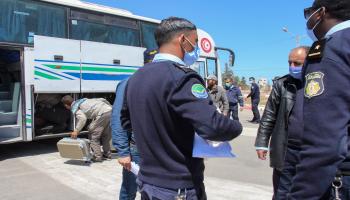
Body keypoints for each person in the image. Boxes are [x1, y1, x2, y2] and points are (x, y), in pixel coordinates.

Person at [121, 17, 242, 200]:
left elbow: (126, 121)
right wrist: (236, 126)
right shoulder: (182, 77)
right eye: (194, 43)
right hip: (177, 187)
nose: (195, 49)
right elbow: (213, 126)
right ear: (182, 40)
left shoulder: (135, 78)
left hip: (147, 182)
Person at [288, 0, 350, 199]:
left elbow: (325, 142)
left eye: (309, 13)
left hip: (340, 179)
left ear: (320, 13)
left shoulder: (331, 50)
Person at [254, 46, 309, 199]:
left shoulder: (320, 84)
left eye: (297, 63)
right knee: (281, 193)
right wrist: (262, 142)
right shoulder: (282, 84)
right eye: (289, 63)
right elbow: (269, 115)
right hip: (286, 150)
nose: (292, 67)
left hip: (310, 152)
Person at [111, 49, 158, 200]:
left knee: (155, 191)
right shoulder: (129, 83)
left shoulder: (162, 83)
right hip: (137, 149)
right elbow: (118, 118)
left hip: (159, 148)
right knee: (129, 189)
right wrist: (123, 152)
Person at [61, 95, 112, 162]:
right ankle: (107, 154)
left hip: (102, 114)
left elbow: (82, 119)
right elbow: (102, 99)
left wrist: (76, 131)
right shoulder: (82, 100)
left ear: (66, 105)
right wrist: (109, 107)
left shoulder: (75, 107)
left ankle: (97, 157)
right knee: (105, 135)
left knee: (93, 135)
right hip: (110, 111)